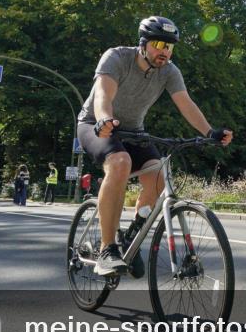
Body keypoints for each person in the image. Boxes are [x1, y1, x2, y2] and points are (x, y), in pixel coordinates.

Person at [77, 16, 232, 276]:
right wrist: (104, 119)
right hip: (95, 124)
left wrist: (209, 132)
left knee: (159, 176)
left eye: (170, 47)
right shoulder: (116, 58)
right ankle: (107, 248)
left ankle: (132, 235)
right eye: (159, 44)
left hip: (134, 131)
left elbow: (186, 104)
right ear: (143, 44)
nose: (165, 51)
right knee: (120, 162)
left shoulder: (169, 71)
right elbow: (104, 94)